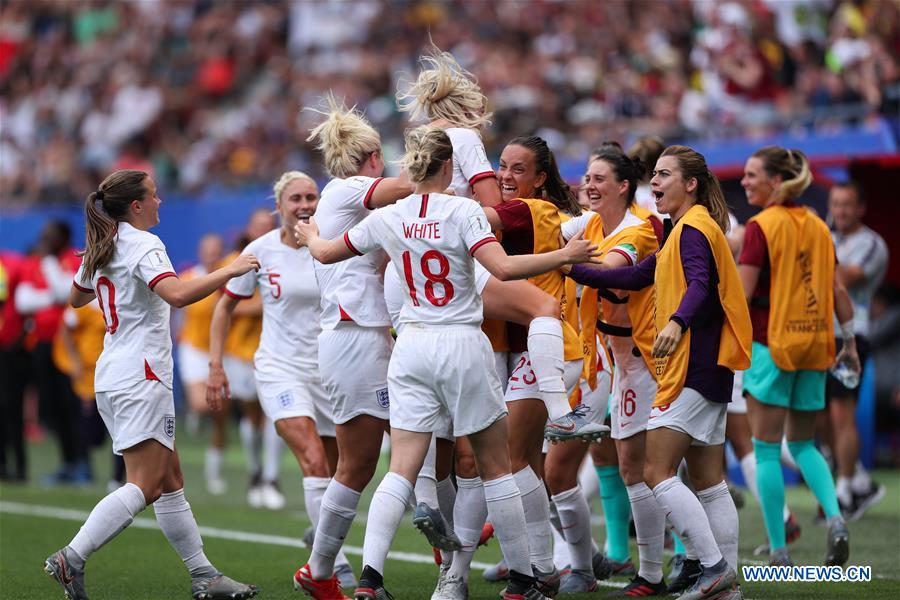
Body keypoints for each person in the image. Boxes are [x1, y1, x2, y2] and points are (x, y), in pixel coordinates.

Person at [294, 124, 601, 600]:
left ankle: (371, 580)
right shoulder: (463, 210)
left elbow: (327, 252)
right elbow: (503, 268)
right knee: (496, 466)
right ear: (448, 167)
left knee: (400, 468)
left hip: (410, 346)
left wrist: (310, 233)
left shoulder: (389, 216)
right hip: (460, 341)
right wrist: (566, 254)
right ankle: (523, 581)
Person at [44, 169, 259, 600]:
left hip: (114, 373)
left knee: (170, 480)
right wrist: (230, 269)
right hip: (141, 374)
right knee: (144, 485)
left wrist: (113, 280)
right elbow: (177, 295)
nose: (160, 202)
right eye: (154, 196)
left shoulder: (104, 245)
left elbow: (76, 297)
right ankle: (72, 557)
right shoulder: (143, 244)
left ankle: (204, 575)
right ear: (136, 206)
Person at [567, 146, 753, 600]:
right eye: (655, 174)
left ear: (690, 184)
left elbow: (701, 284)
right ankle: (725, 585)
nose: (655, 181)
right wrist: (568, 266)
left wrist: (676, 322)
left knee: (655, 469)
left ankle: (712, 567)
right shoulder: (683, 228)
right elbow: (634, 278)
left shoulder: (692, 228)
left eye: (665, 174)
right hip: (711, 365)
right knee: (709, 481)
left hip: (692, 364)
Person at [207, 171, 356, 589]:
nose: (305, 205)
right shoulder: (261, 250)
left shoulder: (332, 245)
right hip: (279, 368)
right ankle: (334, 564)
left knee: (338, 472)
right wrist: (216, 365)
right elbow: (224, 307)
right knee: (313, 461)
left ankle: (319, 536)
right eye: (296, 198)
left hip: (328, 370)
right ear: (279, 206)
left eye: (311, 196)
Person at [293, 96, 415, 599]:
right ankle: (322, 570)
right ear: (373, 158)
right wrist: (444, 149)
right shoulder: (348, 188)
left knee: (405, 447)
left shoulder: (345, 201)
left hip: (363, 334)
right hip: (355, 334)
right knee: (361, 463)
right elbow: (411, 184)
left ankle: (326, 570)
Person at [479, 135, 608, 595]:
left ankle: (541, 565)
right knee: (531, 465)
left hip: (553, 352)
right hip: (549, 351)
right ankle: (555, 563)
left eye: (518, 169)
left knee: (514, 460)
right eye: (501, 166)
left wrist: (428, 199)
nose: (505, 176)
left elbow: (476, 219)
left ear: (539, 179)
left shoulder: (526, 209)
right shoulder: (546, 212)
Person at [738, 146, 856, 567]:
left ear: (776, 181)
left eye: (752, 175)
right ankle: (836, 518)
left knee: (766, 450)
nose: (744, 182)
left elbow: (741, 296)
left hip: (771, 347)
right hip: (816, 346)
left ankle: (780, 549)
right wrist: (849, 344)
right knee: (804, 443)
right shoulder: (820, 226)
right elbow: (838, 291)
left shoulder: (760, 227)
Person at [561, 143, 668, 596]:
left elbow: (609, 270)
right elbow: (543, 233)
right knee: (624, 465)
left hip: (646, 359)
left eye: (599, 179)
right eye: (587, 177)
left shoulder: (638, 229)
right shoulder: (590, 223)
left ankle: (666, 567)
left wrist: (562, 260)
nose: (588, 185)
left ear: (624, 186)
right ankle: (635, 562)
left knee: (647, 468)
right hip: (609, 357)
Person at [826, 180, 888, 520]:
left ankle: (845, 490)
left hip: (851, 338)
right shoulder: (827, 237)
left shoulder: (873, 244)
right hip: (820, 334)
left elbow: (846, 277)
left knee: (842, 415)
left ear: (861, 208)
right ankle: (860, 480)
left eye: (847, 204)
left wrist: (807, 257)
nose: (840, 210)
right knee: (816, 416)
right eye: (836, 204)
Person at [222, 208, 285, 510]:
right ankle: (255, 471)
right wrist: (263, 306)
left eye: (268, 225)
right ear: (248, 229)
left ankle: (271, 477)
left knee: (276, 414)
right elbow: (221, 306)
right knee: (251, 415)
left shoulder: (283, 257)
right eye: (258, 225)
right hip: (241, 351)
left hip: (276, 349)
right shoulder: (234, 262)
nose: (264, 230)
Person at [15, 221, 88, 484]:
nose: (44, 240)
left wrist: (49, 289)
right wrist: (51, 296)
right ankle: (68, 462)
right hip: (41, 344)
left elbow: (66, 293)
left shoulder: (73, 259)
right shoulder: (35, 263)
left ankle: (83, 464)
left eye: (50, 236)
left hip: (68, 344)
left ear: (63, 238)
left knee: (71, 404)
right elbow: (23, 301)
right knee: (52, 407)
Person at [176, 234, 229, 495]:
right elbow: (173, 307)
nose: (211, 255)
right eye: (207, 250)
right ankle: (194, 412)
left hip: (223, 351)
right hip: (194, 349)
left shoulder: (228, 278)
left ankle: (214, 472)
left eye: (215, 250)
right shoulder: (188, 278)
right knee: (202, 403)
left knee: (221, 415)